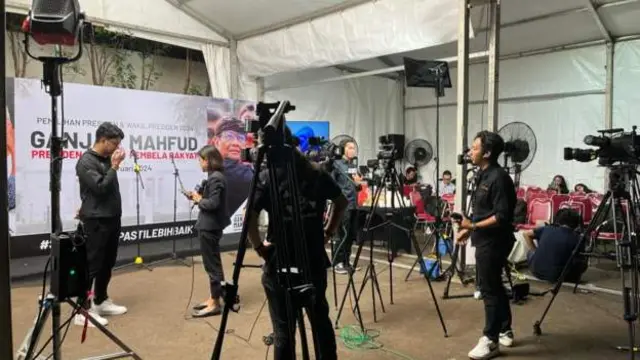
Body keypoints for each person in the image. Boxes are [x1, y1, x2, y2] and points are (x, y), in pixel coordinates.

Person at [246, 129, 347, 360]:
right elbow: (341, 203)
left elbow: (249, 216)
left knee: (283, 331)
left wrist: (259, 247)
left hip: (280, 260)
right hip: (313, 259)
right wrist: (328, 232)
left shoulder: (267, 176)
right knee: (320, 320)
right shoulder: (317, 173)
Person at [453, 131, 517, 359]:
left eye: (475, 148)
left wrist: (473, 227)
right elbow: (482, 211)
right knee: (495, 286)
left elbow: (501, 216)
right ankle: (504, 329)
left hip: (495, 241)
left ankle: (490, 339)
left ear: (487, 153)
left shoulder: (499, 178)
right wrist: (467, 229)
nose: (470, 152)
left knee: (489, 289)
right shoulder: (482, 174)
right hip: (484, 238)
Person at [74, 122, 127, 327]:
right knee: (92, 265)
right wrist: (114, 167)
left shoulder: (105, 159)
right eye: (114, 143)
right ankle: (82, 309)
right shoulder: (86, 162)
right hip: (96, 220)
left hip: (112, 217)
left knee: (108, 261)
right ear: (103, 140)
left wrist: (111, 165)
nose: (117, 147)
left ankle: (100, 299)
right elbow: (100, 188)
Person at [188, 145, 230, 317]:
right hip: (209, 225)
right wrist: (198, 196)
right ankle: (214, 297)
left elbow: (213, 204)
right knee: (212, 263)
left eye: (201, 160)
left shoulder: (216, 178)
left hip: (210, 226)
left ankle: (215, 302)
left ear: (209, 160)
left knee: (212, 265)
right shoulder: (214, 177)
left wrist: (198, 200)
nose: (200, 163)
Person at [522, 208, 586, 283]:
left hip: (537, 272)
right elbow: (580, 259)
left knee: (530, 252)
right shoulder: (577, 238)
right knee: (583, 263)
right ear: (575, 223)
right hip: (560, 277)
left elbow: (526, 234)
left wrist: (535, 251)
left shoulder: (546, 228)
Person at [331, 140, 361, 274]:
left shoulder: (353, 165)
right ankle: (337, 263)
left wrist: (359, 184)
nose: (353, 150)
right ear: (343, 149)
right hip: (343, 205)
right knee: (342, 235)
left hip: (354, 204)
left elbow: (356, 185)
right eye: (350, 148)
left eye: (354, 148)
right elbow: (331, 184)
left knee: (350, 235)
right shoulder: (336, 165)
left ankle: (346, 262)